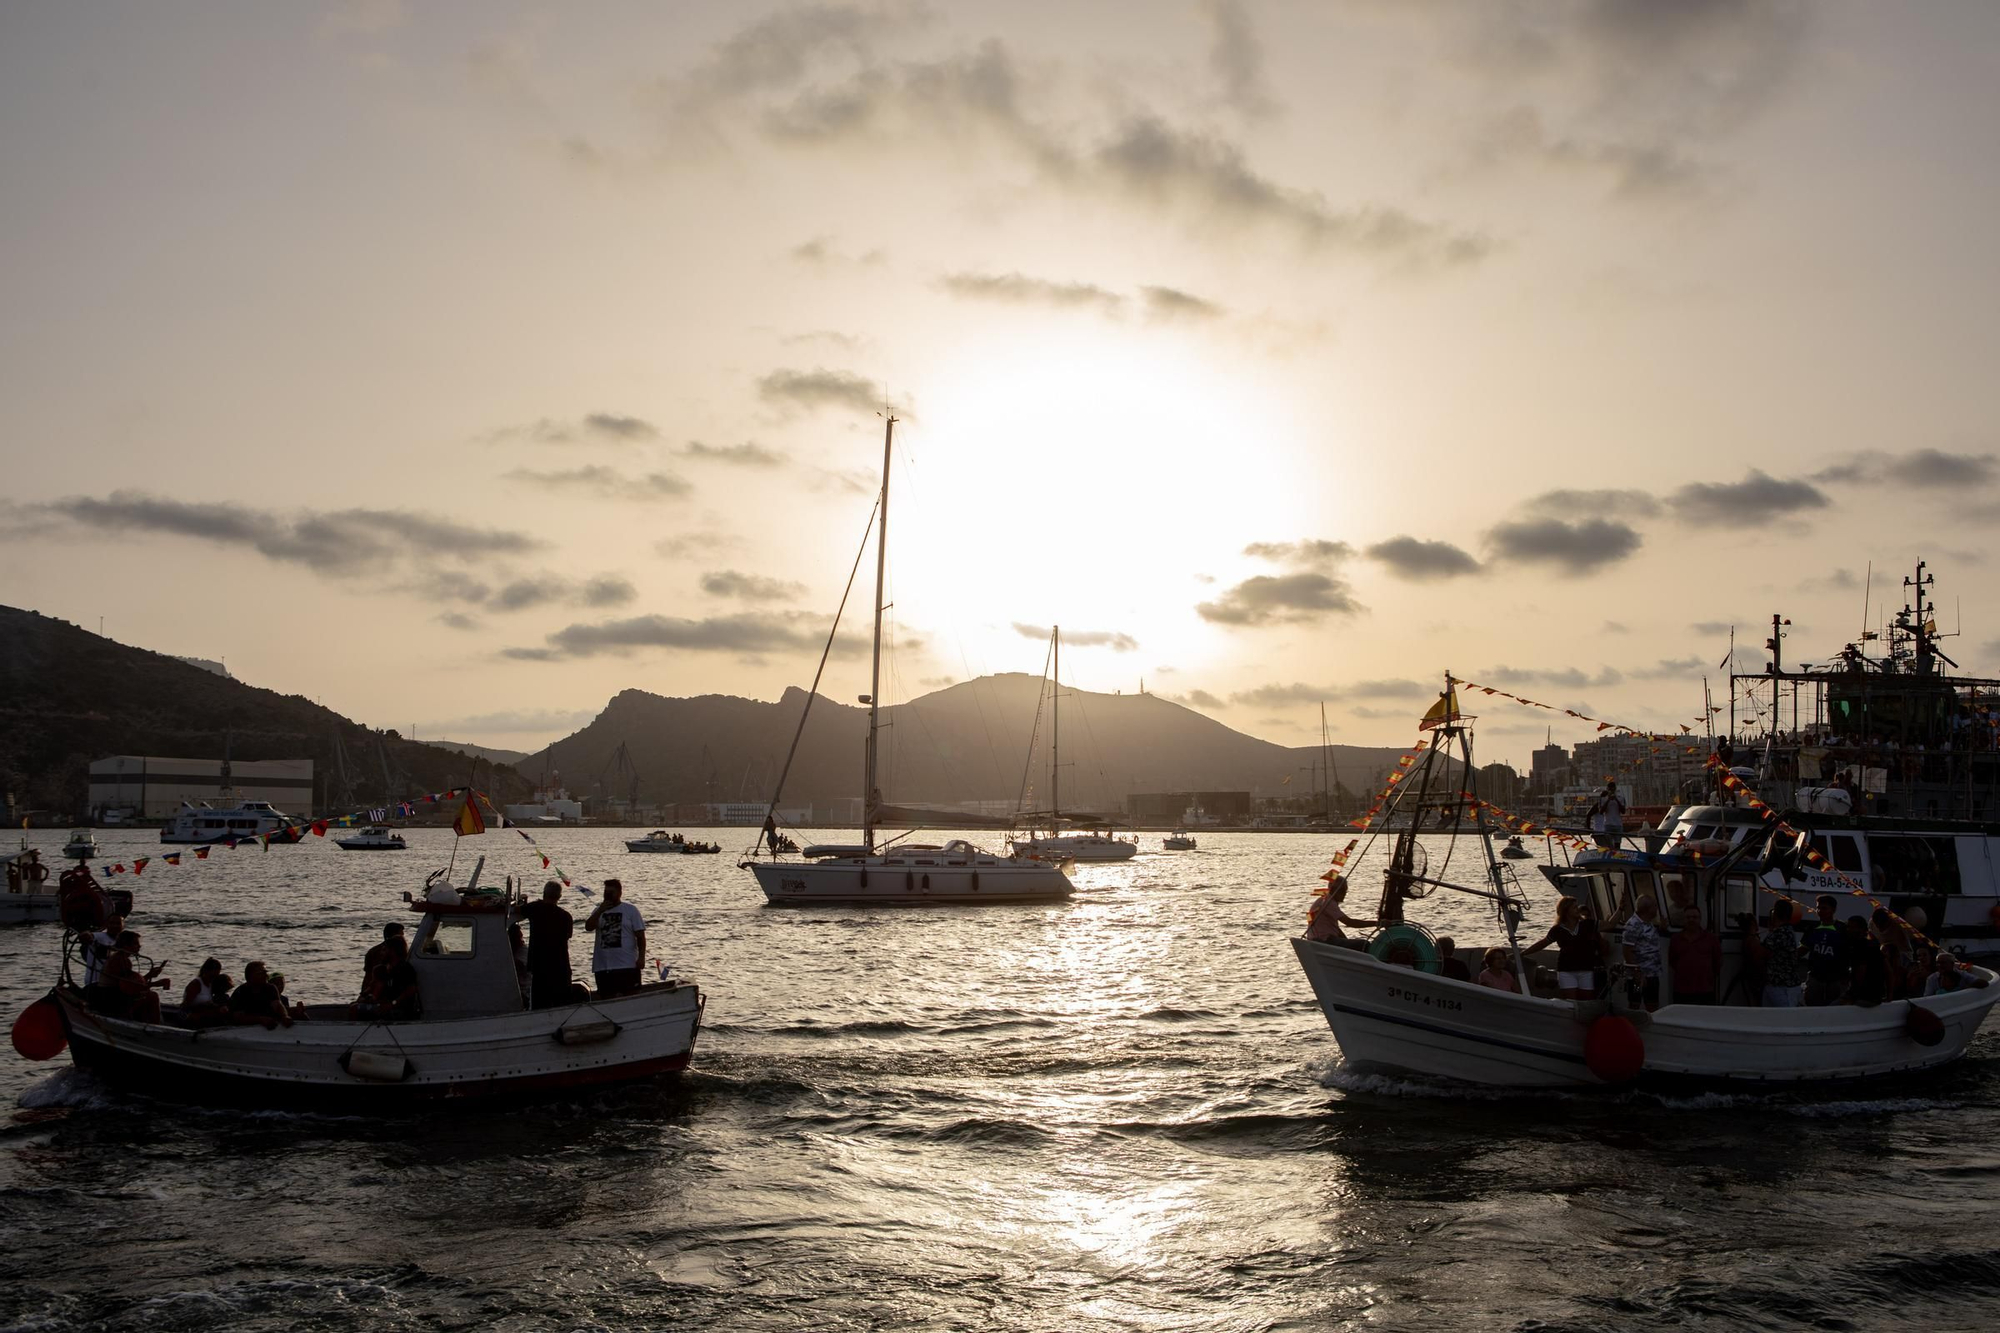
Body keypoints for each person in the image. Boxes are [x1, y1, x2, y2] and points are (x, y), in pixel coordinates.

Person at [1523, 897, 1600, 1000]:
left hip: (1585, 968)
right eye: (1574, 907)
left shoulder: (1587, 924)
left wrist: (1620, 909)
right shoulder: (1557, 929)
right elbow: (1543, 943)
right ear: (1566, 911)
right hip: (1566, 969)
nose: (1577, 909)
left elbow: (1609, 924)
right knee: (1570, 1000)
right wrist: (1523, 953)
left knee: (1587, 999)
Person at [584, 879, 648, 997]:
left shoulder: (630, 910)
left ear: (619, 893)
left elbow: (640, 936)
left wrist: (641, 958)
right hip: (603, 967)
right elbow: (588, 927)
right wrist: (600, 911)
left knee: (631, 996)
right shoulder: (598, 911)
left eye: (610, 893)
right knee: (606, 997)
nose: (607, 896)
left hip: (626, 965)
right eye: (605, 893)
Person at [519, 880, 574, 1009]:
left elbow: (519, 910)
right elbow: (568, 936)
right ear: (559, 897)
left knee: (540, 1006)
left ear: (544, 894)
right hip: (561, 967)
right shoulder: (566, 916)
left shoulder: (534, 908)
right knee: (563, 1006)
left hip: (539, 967)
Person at [96, 931, 170, 1021]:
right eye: (135, 944)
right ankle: (156, 1026)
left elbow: (131, 983)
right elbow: (128, 988)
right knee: (152, 996)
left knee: (146, 994)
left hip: (113, 994)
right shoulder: (121, 960)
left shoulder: (121, 957)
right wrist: (155, 984)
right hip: (111, 998)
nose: (139, 946)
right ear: (126, 945)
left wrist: (149, 975)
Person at [354, 935, 421, 1019]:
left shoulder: (404, 968)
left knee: (354, 1009)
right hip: (385, 1004)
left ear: (392, 951)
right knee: (356, 1005)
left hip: (399, 1008)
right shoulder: (384, 969)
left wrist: (391, 1004)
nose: (381, 953)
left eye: (384, 950)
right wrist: (364, 997)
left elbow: (411, 990)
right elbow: (373, 987)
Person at [1754, 902, 1808, 1007]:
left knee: (1784, 1019)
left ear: (1775, 913)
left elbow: (1760, 954)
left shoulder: (1779, 933)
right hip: (1779, 985)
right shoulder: (1788, 931)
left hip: (1782, 987)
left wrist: (1752, 936)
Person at [1666, 905, 1721, 1005]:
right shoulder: (1675, 939)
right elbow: (1672, 960)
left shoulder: (1711, 939)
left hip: (1705, 991)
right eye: (1688, 917)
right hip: (1681, 990)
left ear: (1700, 919)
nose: (1691, 920)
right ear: (1683, 919)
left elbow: (1718, 961)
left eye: (1695, 917)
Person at [1802, 895, 1850, 1007]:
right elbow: (1804, 948)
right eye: (1818, 908)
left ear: (1833, 910)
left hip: (1836, 978)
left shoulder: (1842, 929)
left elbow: (1849, 952)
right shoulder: (1812, 928)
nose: (1820, 911)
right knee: (1811, 1007)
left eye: (1824, 908)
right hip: (1815, 976)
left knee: (1835, 1009)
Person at [1620, 896, 1666, 1011]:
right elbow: (1627, 950)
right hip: (1639, 976)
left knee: (1653, 1004)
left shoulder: (1647, 923)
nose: (1657, 909)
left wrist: (1661, 929)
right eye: (1655, 906)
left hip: (1652, 973)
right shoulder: (1633, 925)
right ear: (1647, 909)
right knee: (1635, 1003)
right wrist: (1637, 973)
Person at [1305, 877, 1377, 948]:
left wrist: (1346, 941)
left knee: (1352, 944)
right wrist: (1377, 923)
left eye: (1345, 891)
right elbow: (1350, 922)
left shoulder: (1324, 900)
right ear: (1335, 890)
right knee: (1364, 944)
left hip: (1320, 938)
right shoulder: (1328, 902)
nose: (1344, 894)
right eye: (1342, 891)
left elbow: (1337, 930)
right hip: (1324, 940)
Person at [228, 961, 293, 1029]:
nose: (266, 976)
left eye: (266, 973)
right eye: (262, 973)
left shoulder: (270, 988)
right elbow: (237, 1017)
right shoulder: (241, 992)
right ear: (251, 976)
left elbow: (278, 1005)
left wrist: (284, 1016)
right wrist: (260, 1019)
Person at [1842, 915, 1890, 1006]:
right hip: (1874, 997)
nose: (1848, 930)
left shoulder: (1860, 947)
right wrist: (1889, 996)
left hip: (1865, 998)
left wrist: (1852, 998)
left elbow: (1861, 973)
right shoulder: (1873, 946)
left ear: (1861, 929)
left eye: (1852, 927)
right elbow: (1889, 972)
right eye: (1848, 927)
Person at [1871, 908, 1915, 998]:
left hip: (1902, 955)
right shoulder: (1871, 924)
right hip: (1884, 952)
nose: (1880, 929)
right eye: (1878, 926)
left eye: (1882, 926)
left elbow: (1913, 938)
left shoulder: (1899, 925)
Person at [1924, 951, 1990, 997]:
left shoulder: (1962, 974)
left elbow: (1983, 983)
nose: (1939, 965)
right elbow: (1927, 998)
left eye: (1943, 963)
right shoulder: (1931, 978)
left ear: (1952, 964)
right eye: (1937, 963)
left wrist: (1967, 988)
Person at [363, 922, 406, 990]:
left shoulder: (372, 951)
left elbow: (367, 977)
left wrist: (364, 992)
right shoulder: (400, 952)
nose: (403, 936)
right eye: (401, 934)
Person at [1588, 780, 1627, 850]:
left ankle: (1617, 856)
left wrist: (1616, 800)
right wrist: (1608, 800)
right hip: (1608, 824)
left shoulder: (1621, 798)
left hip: (1618, 824)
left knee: (1617, 844)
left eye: (1613, 789)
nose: (1611, 791)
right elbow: (1601, 811)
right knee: (1608, 844)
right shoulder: (1603, 799)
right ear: (1607, 789)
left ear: (1615, 789)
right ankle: (1610, 855)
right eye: (1610, 789)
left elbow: (1623, 811)